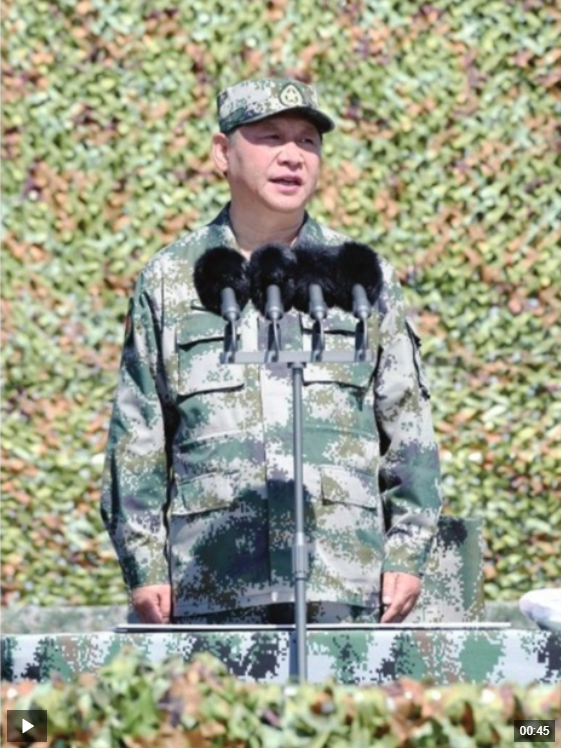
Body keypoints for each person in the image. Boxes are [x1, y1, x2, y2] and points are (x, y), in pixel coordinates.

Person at [101, 77, 442, 626]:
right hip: (212, 579)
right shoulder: (170, 280)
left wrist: (407, 549)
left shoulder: (359, 275)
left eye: (308, 141)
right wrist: (144, 564)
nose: (292, 156)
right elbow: (138, 434)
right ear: (223, 152)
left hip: (344, 577)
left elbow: (407, 422)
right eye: (271, 137)